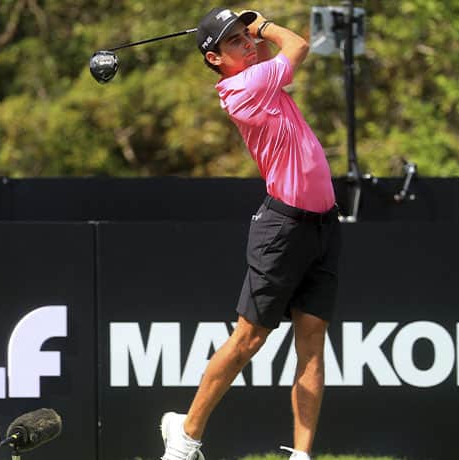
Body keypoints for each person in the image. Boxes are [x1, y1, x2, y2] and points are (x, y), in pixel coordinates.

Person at [159, 7, 342, 460]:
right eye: (236, 41)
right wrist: (263, 25)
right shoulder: (243, 86)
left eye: (247, 36)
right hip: (283, 228)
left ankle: (301, 456)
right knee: (248, 339)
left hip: (323, 225)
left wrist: (251, 34)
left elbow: (284, 55)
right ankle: (185, 440)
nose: (249, 43)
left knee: (313, 347)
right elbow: (298, 45)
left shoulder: (263, 78)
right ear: (214, 59)